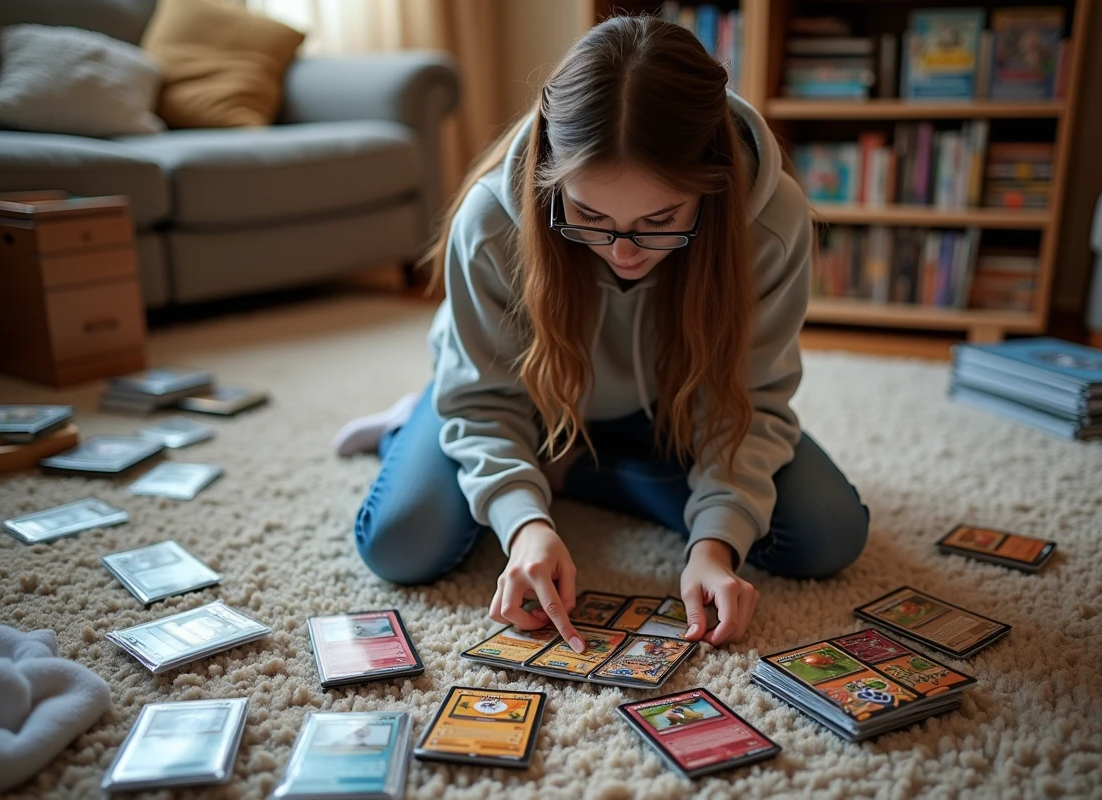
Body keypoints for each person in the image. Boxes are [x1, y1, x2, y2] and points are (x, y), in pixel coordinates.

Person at [332, 15, 868, 653]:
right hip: (525, 400)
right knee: (402, 543)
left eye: (659, 221)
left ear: (714, 182)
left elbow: (749, 404)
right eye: (588, 214)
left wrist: (716, 544)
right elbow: (483, 402)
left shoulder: (773, 225)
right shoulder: (490, 221)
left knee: (826, 536)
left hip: (675, 413)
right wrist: (525, 527)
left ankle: (570, 470)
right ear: (552, 176)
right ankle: (419, 425)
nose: (623, 251)